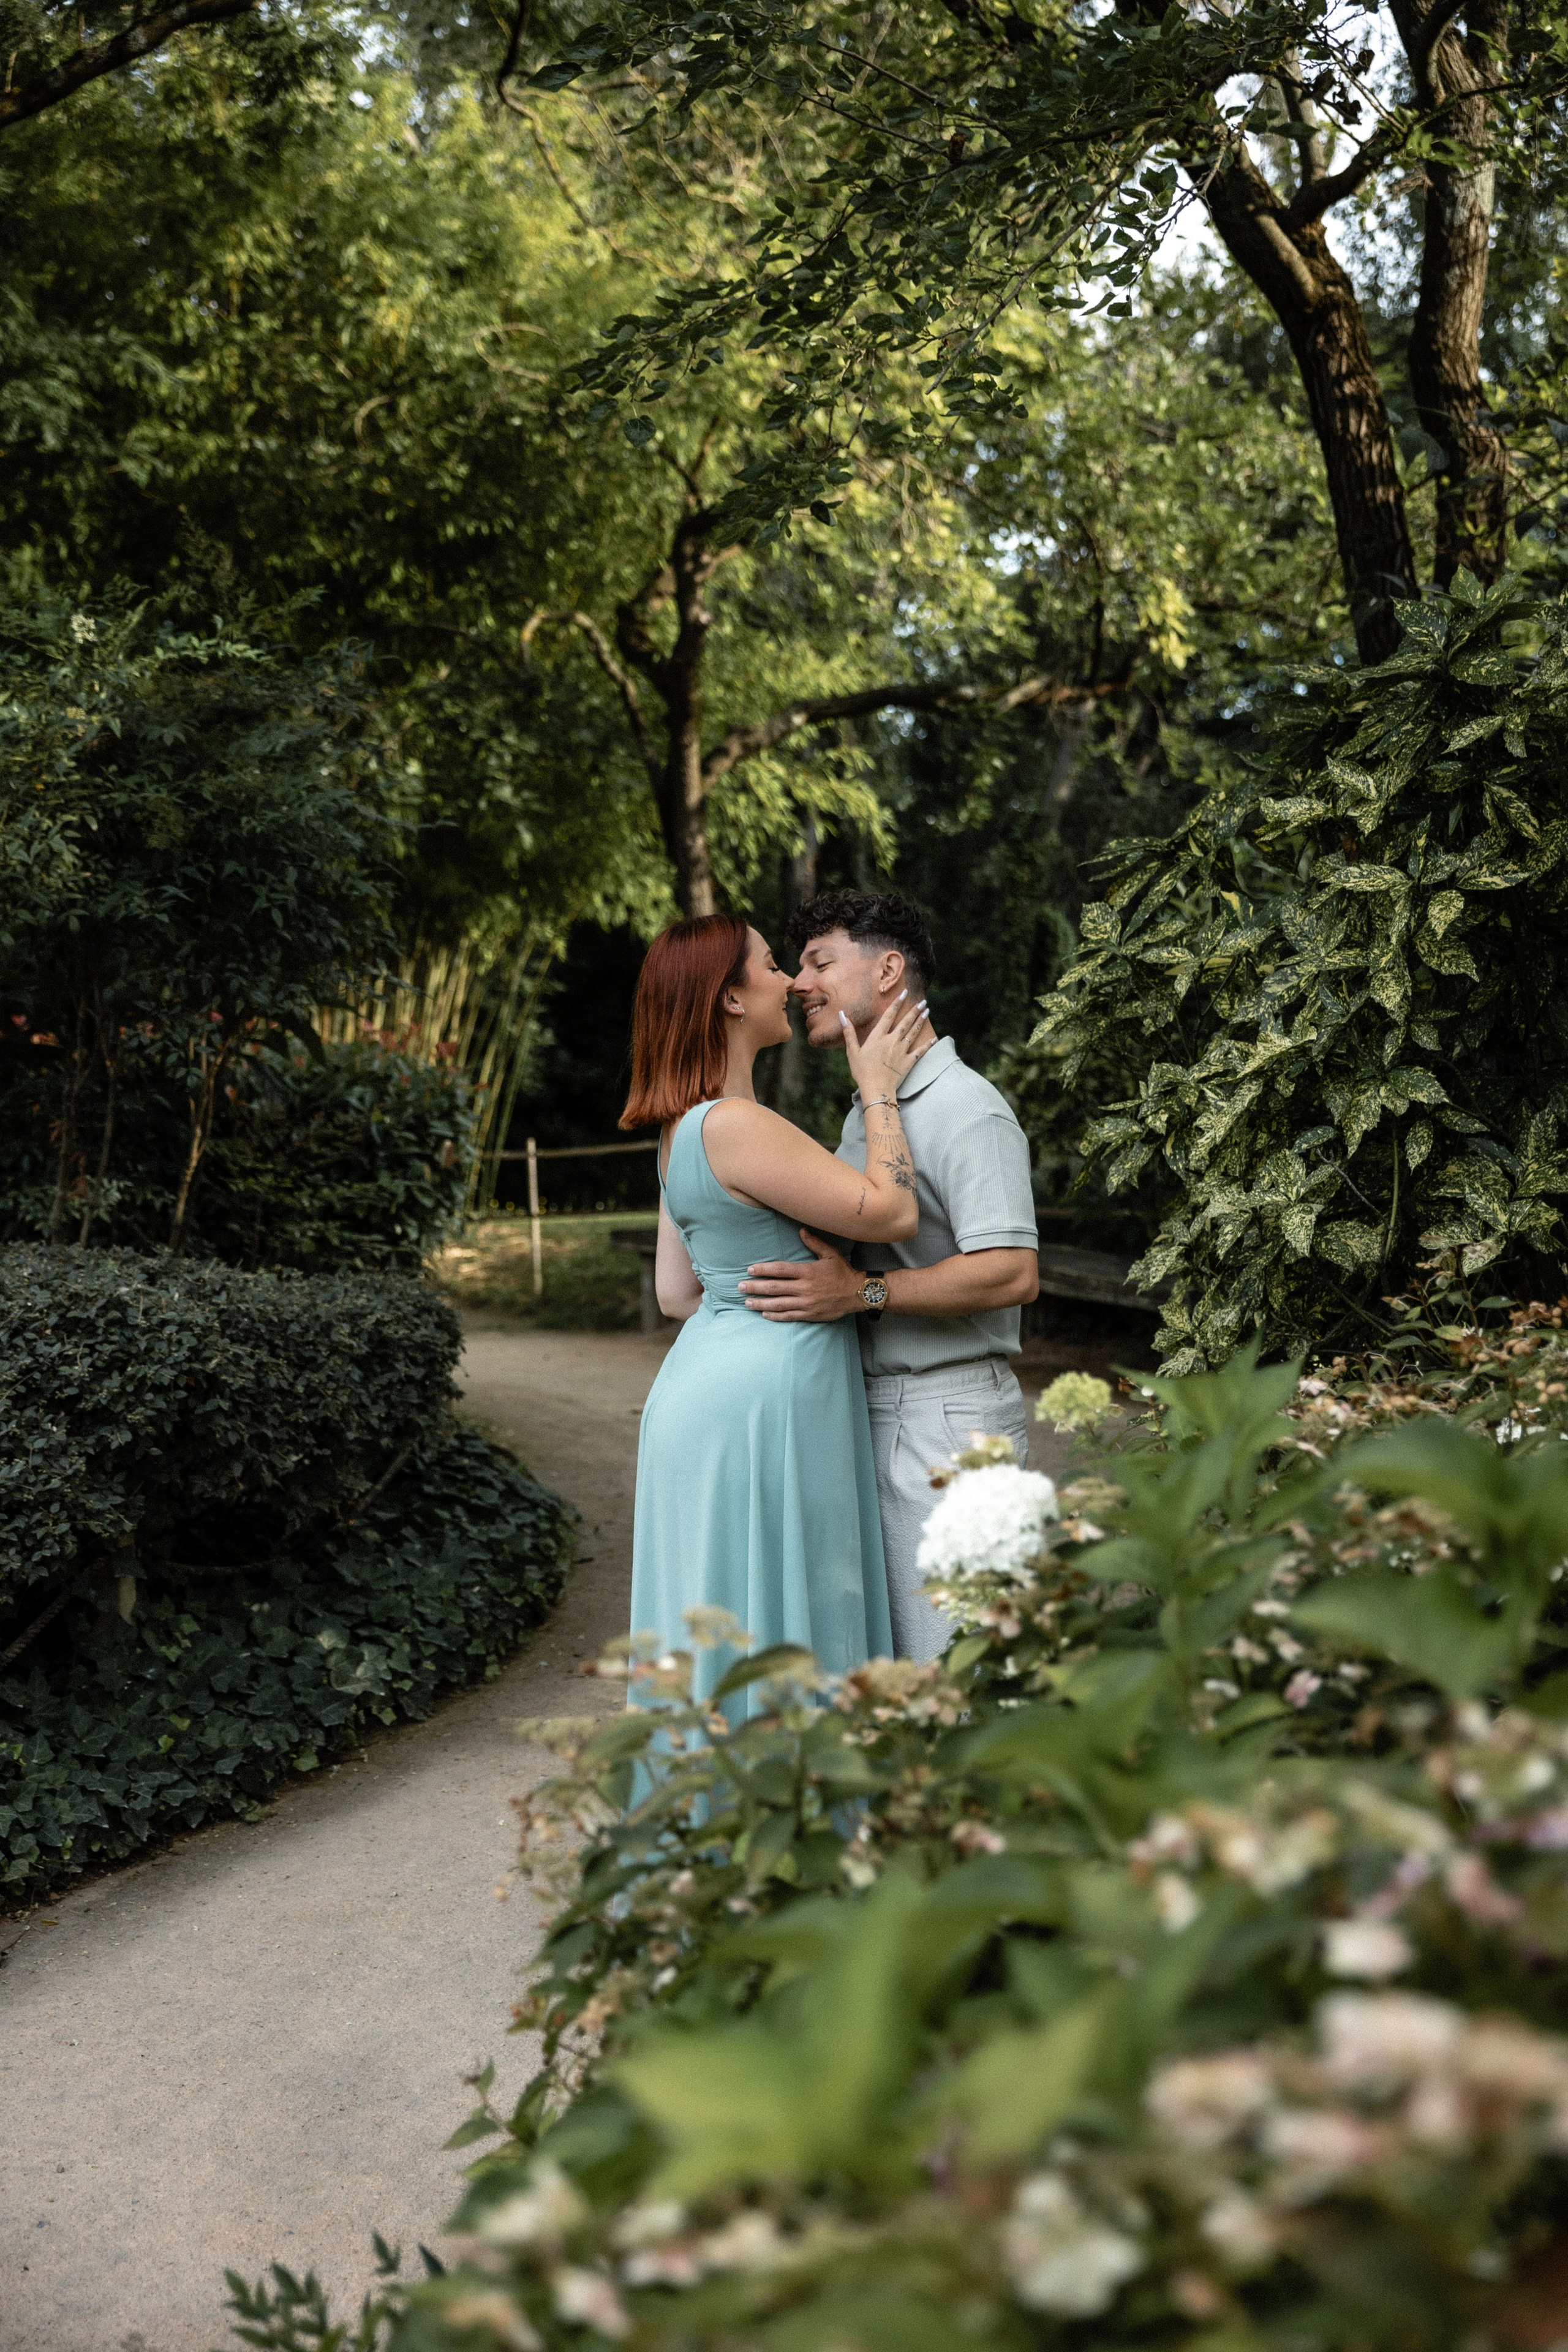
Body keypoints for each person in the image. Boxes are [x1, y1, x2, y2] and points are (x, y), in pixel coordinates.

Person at [623, 912, 927, 1712]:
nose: (791, 982)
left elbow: (677, 1295)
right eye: (768, 966)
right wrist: (877, 1093)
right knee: (783, 1619)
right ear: (728, 1000)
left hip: (697, 1395)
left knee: (720, 1622)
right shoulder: (738, 1126)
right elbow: (892, 1213)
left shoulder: (680, 1129)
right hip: (770, 1404)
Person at [737, 891, 1040, 1663]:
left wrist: (862, 1294)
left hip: (950, 1422)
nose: (801, 981)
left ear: (889, 971)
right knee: (893, 1673)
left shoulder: (967, 1109)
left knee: (963, 1669)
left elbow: (1011, 1273)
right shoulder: (869, 1111)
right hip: (869, 1410)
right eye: (795, 965)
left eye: (819, 962)